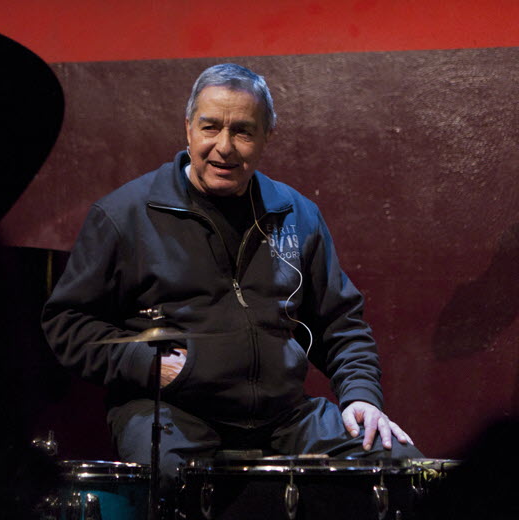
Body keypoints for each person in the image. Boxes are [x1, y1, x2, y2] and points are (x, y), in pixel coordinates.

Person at [41, 63, 422, 497]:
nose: (224, 147)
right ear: (188, 129)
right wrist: (149, 366)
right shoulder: (123, 215)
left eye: (243, 131)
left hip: (284, 415)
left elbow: (341, 324)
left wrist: (361, 396)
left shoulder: (296, 214)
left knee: (404, 471)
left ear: (266, 136)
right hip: (171, 411)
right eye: (210, 127)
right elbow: (67, 324)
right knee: (175, 487)